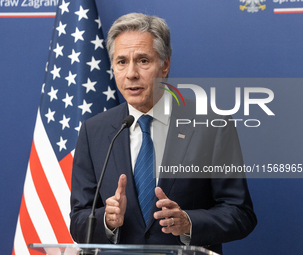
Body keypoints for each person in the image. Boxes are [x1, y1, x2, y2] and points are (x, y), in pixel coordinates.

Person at [70, 13, 257, 254]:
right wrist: (106, 219)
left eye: (143, 60)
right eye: (121, 62)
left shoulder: (212, 124)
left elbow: (241, 213)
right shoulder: (94, 131)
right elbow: (78, 219)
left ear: (165, 64)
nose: (131, 74)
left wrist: (188, 222)